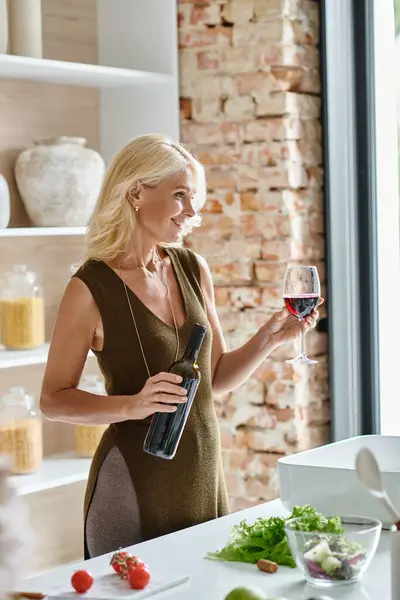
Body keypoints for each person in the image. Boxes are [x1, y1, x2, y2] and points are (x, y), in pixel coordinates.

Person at [40, 134, 321, 559]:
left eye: (195, 197)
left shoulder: (192, 268)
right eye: (180, 196)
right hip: (132, 481)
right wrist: (132, 406)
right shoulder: (89, 288)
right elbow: (53, 399)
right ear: (136, 192)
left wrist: (269, 338)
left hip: (201, 471)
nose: (194, 211)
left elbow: (217, 377)